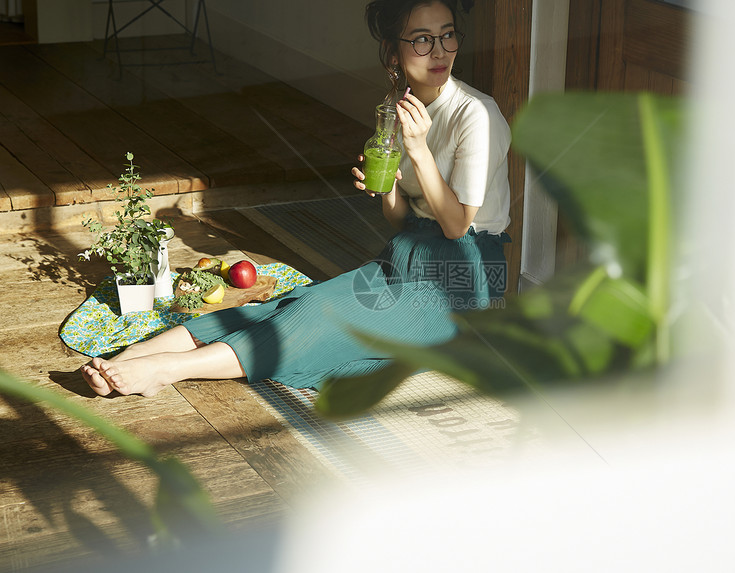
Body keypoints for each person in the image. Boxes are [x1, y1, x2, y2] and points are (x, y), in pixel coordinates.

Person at [80, 0, 511, 398]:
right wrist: (389, 188)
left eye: (448, 34)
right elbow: (403, 221)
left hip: (463, 283)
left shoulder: (476, 114)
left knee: (324, 318)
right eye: (421, 39)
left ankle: (168, 370)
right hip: (408, 257)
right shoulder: (398, 108)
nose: (439, 50)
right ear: (393, 52)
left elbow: (456, 227)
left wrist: (417, 150)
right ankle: (132, 356)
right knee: (295, 304)